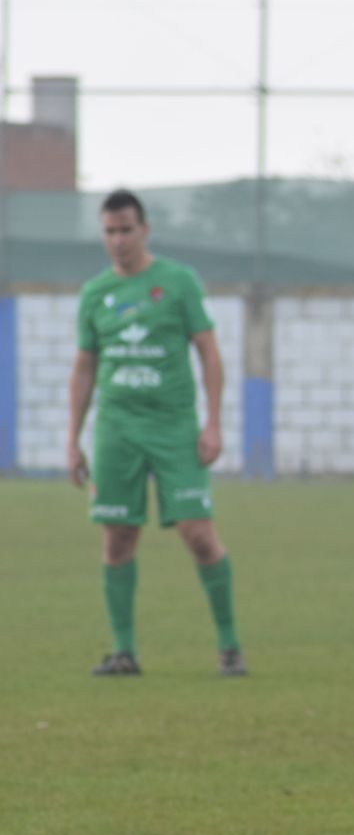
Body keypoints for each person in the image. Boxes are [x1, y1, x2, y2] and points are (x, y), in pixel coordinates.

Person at [66, 189, 246, 678]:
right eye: (110, 231)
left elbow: (208, 352)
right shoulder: (95, 293)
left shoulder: (178, 282)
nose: (118, 240)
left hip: (173, 428)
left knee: (198, 533)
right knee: (118, 537)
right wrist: (72, 439)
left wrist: (212, 422)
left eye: (126, 229)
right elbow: (85, 367)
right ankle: (124, 652)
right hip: (116, 430)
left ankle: (229, 646)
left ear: (144, 230)